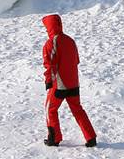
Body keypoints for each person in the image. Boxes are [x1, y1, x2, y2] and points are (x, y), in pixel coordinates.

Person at [40, 14, 97, 147]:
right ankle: (91, 138)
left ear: (49, 27)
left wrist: (49, 81)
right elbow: (76, 61)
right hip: (74, 84)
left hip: (59, 85)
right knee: (78, 109)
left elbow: (50, 64)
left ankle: (54, 138)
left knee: (50, 109)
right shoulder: (70, 41)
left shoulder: (51, 43)